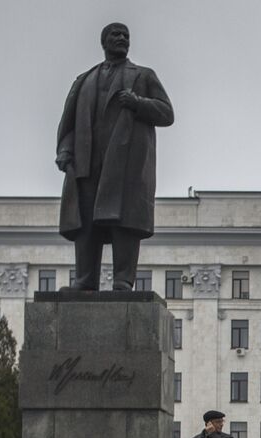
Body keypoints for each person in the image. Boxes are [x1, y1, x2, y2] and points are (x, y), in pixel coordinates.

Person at [56, 22, 174, 291]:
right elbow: (68, 124)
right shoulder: (84, 80)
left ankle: (123, 279)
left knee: (124, 221)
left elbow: (167, 113)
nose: (122, 38)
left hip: (125, 165)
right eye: (116, 34)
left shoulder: (143, 76)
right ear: (104, 42)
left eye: (126, 35)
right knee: (85, 224)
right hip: (86, 165)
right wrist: (65, 150)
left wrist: (137, 103)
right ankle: (85, 280)